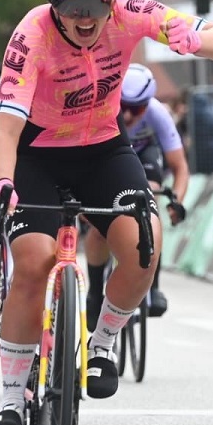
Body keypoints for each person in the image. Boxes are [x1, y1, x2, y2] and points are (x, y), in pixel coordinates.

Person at [0, 0, 213, 425]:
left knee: (146, 245)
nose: (84, 16)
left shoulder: (129, 13)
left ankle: (101, 344)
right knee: (33, 262)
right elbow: (7, 128)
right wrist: (3, 184)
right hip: (36, 155)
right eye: (71, 5)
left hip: (101, 148)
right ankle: (10, 396)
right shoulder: (31, 34)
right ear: (53, 1)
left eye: (95, 4)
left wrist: (186, 37)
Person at [84, 63, 188, 322]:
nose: (129, 116)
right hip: (106, 158)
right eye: (123, 106)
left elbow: (179, 166)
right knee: (100, 225)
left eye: (137, 109)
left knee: (150, 199)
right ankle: (95, 291)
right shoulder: (98, 110)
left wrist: (176, 200)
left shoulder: (157, 114)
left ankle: (152, 287)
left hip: (143, 157)